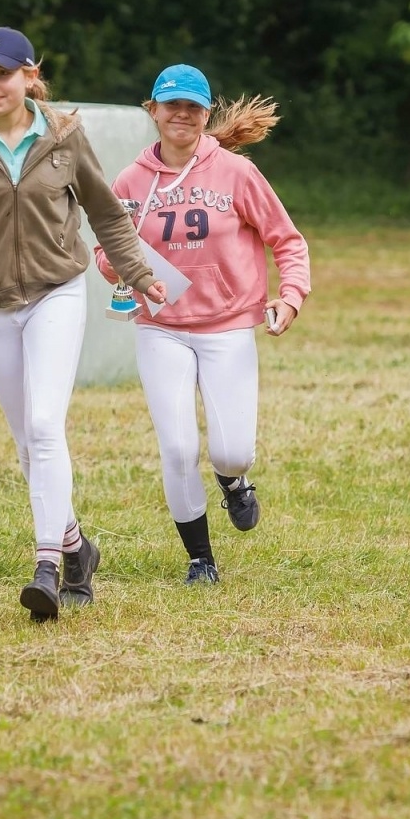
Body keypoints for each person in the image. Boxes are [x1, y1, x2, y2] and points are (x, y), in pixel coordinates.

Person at [0, 26, 168, 620]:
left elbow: (106, 213)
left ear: (30, 76)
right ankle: (80, 547)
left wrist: (136, 272)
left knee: (44, 422)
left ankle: (48, 566)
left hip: (56, 292)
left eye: (1, 73)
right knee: (27, 441)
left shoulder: (63, 137)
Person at [96, 64, 310, 584]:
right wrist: (125, 272)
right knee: (177, 448)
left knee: (232, 450)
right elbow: (106, 251)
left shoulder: (236, 172)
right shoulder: (129, 180)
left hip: (228, 324)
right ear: (153, 111)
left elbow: (287, 239)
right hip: (160, 326)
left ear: (206, 113)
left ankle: (233, 482)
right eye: (171, 105)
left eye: (193, 106)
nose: (182, 115)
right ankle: (201, 559)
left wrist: (291, 295)